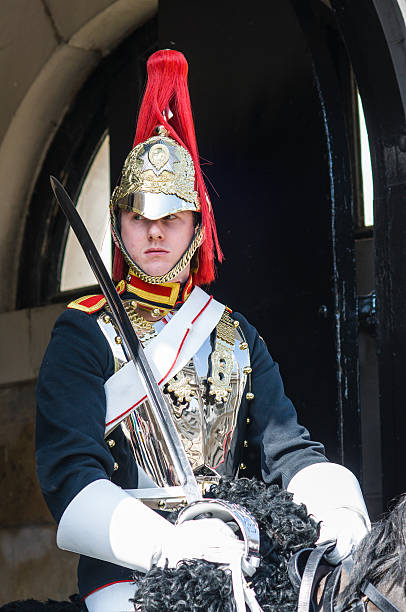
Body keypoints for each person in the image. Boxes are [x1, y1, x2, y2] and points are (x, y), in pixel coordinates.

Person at [36, 50, 370, 612]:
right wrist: (169, 544)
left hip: (241, 557)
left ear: (197, 225)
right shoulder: (83, 333)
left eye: (171, 218)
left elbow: (288, 451)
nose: (155, 233)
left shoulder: (234, 335)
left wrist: (338, 510)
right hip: (131, 571)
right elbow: (71, 478)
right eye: (140, 218)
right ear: (119, 225)